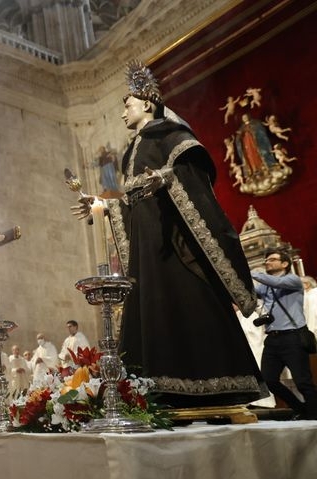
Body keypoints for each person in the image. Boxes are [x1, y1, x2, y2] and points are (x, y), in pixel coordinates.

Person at [73, 60, 265, 408]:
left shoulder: (171, 136)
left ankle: (216, 384)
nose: (123, 114)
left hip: (174, 241)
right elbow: (128, 200)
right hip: (146, 247)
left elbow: (192, 174)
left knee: (186, 299)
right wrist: (101, 204)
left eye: (128, 105)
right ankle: (158, 387)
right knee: (151, 306)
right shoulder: (130, 152)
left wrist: (166, 178)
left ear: (147, 104)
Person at [253, 250, 317, 419]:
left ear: (285, 264)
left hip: (292, 337)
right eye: (266, 260)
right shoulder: (266, 285)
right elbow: (251, 292)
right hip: (272, 339)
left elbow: (275, 282)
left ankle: (314, 414)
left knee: (303, 382)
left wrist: (251, 273)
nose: (267, 262)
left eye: (272, 259)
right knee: (268, 380)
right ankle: (300, 409)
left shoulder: (293, 280)